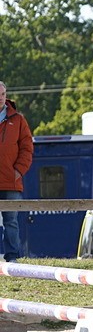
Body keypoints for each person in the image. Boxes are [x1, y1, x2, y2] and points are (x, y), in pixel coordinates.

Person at [0, 81, 34, 262]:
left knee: (11, 221)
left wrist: (18, 171)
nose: (0, 98)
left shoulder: (18, 120)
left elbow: (27, 148)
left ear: (6, 95)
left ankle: (12, 257)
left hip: (11, 181)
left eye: (3, 94)